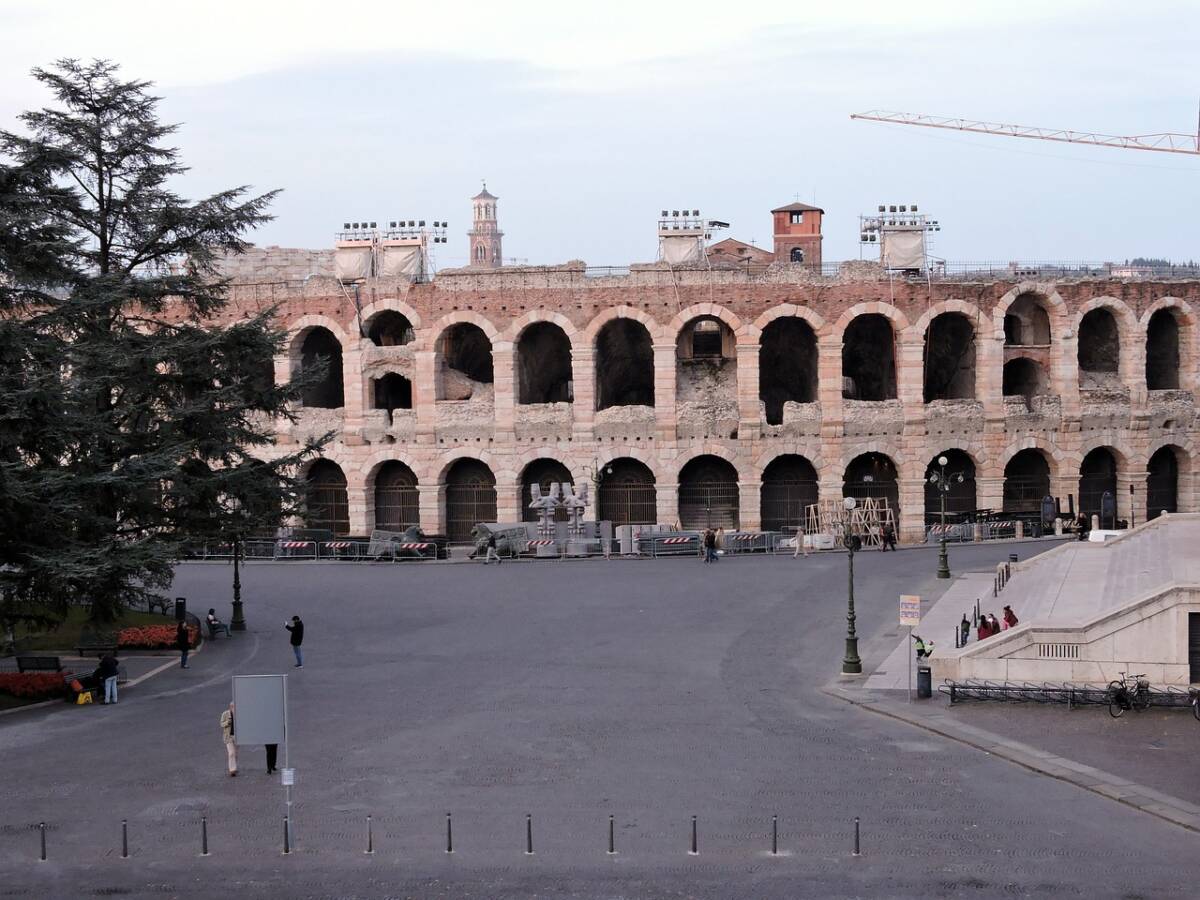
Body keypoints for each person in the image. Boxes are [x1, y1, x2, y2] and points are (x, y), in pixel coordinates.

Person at [219, 702, 238, 776]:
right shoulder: (225, 714)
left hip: (236, 737)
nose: (234, 709)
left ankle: (235, 766)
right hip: (228, 737)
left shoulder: (239, 714)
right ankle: (232, 770)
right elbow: (221, 724)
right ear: (230, 707)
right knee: (231, 753)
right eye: (233, 707)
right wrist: (227, 722)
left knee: (235, 754)